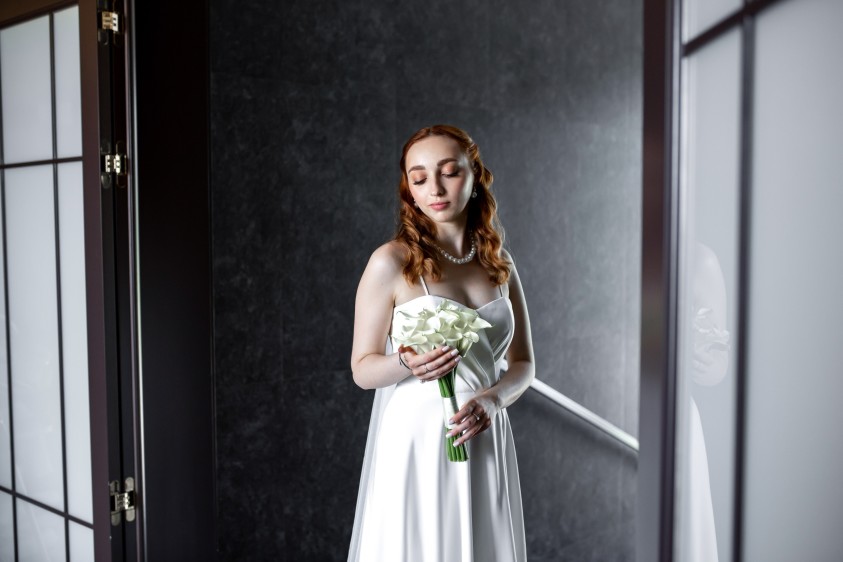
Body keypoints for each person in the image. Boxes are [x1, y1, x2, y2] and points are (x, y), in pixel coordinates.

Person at [348, 125, 535, 561]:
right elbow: (362, 368)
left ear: (475, 178)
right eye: (419, 178)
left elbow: (524, 364)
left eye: (449, 172)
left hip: (483, 431)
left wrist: (493, 401)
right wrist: (406, 363)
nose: (434, 188)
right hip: (416, 439)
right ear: (409, 191)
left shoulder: (499, 263)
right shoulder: (391, 262)